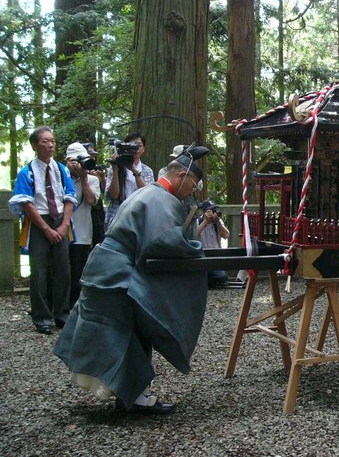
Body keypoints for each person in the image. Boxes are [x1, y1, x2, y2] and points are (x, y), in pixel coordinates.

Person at [54, 146, 210, 414]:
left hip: (106, 270)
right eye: (192, 185)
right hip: (116, 275)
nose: (191, 191)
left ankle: (132, 395)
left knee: (120, 330)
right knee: (123, 333)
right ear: (181, 175)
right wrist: (193, 247)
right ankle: (134, 398)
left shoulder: (147, 192)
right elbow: (161, 243)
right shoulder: (161, 199)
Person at [8, 126, 77, 334]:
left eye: (53, 141)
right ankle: (42, 317)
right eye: (46, 141)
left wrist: (64, 225)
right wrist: (46, 228)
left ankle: (62, 314)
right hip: (39, 221)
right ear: (35, 145)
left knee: (63, 269)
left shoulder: (62, 170)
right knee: (39, 271)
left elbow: (69, 197)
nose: (51, 145)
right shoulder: (27, 171)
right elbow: (26, 204)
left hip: (61, 220)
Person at [65, 143, 101, 306]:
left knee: (78, 271)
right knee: (60, 270)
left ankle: (74, 304)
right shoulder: (60, 177)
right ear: (68, 161)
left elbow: (92, 201)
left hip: (82, 233)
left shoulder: (92, 179)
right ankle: (57, 304)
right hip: (62, 232)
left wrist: (84, 179)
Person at [105, 132, 154, 227]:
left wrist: (134, 170)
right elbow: (113, 195)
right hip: (117, 218)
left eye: (139, 145)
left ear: (143, 149)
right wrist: (115, 169)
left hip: (139, 219)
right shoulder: (116, 167)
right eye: (132, 146)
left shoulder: (147, 171)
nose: (135, 149)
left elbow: (147, 195)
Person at [197, 199, 231, 288]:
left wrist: (218, 222)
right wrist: (205, 222)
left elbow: (226, 235)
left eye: (214, 210)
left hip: (215, 257)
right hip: (202, 256)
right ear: (204, 212)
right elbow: (193, 235)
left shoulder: (217, 222)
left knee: (222, 277)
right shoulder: (198, 222)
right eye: (210, 211)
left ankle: (205, 281)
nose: (212, 213)